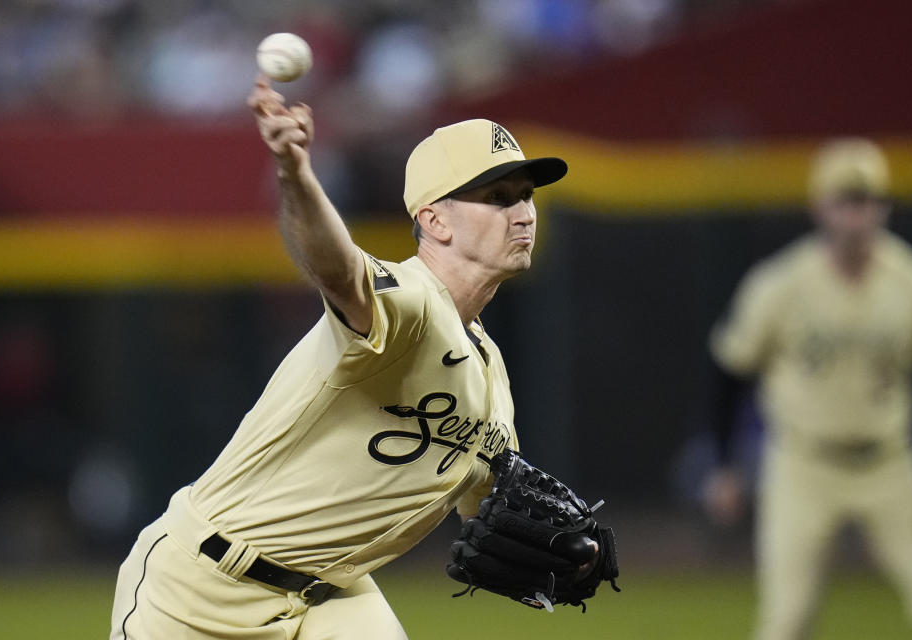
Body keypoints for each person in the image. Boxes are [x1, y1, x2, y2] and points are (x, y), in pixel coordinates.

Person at [109, 74, 568, 640]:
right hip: (202, 586)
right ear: (434, 220)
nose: (522, 212)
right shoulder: (411, 302)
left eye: (526, 194)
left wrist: (563, 541)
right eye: (497, 197)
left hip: (332, 596)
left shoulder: (491, 373)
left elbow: (490, 508)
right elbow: (334, 266)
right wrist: (295, 173)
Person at [703, 138, 912, 640]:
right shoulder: (779, 286)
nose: (858, 215)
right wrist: (723, 464)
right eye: (847, 201)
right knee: (786, 620)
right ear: (820, 207)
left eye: (868, 201)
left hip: (891, 463)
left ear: (885, 207)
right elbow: (732, 372)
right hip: (804, 466)